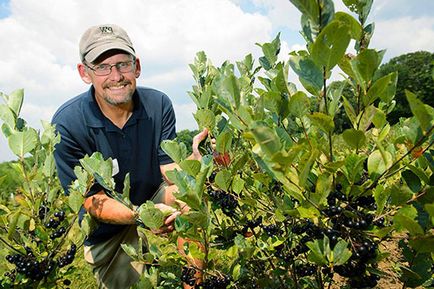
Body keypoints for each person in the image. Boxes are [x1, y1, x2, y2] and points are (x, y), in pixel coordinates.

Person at [52, 24, 206, 289]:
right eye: (102, 66)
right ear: (84, 73)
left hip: (149, 190)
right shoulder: (68, 124)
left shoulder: (159, 104)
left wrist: (192, 166)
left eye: (123, 64)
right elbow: (92, 201)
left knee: (189, 195)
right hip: (106, 220)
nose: (116, 75)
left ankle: (194, 284)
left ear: (137, 67)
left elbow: (168, 169)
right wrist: (140, 215)